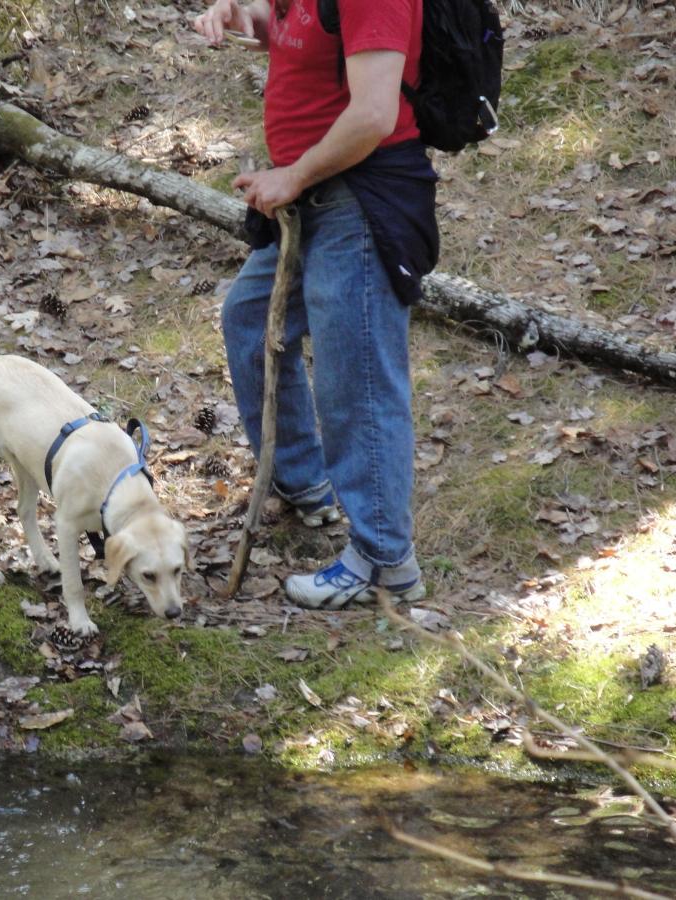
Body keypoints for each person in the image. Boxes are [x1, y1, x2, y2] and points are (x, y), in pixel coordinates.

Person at [193, 0, 439, 609]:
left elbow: (374, 114)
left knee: (357, 380)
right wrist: (253, 21)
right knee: (250, 324)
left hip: (359, 200)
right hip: (312, 202)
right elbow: (309, 41)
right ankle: (304, 483)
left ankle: (385, 559)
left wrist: (293, 175)